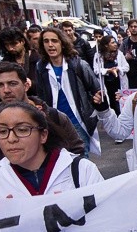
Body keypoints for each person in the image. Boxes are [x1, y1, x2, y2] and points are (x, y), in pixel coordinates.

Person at [0, 101, 104, 208]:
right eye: (2, 131)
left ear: (43, 135)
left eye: (22, 130)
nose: (11, 139)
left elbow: (105, 222)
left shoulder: (81, 170)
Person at [0, 61, 84, 168]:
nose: (6, 90)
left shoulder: (54, 116)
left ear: (26, 85)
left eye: (12, 84)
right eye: (0, 85)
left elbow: (77, 150)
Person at [35, 26, 101, 158]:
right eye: (46, 41)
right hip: (53, 124)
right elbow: (41, 96)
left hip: (77, 122)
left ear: (62, 43)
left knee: (82, 162)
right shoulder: (41, 67)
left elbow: (96, 89)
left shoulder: (78, 65)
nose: (50, 45)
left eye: (54, 41)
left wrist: (95, 103)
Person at [93, 34, 130, 119]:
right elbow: (96, 70)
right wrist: (108, 71)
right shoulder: (98, 56)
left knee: (119, 106)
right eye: (112, 43)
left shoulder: (119, 54)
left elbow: (126, 67)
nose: (115, 44)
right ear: (106, 45)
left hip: (118, 84)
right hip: (106, 85)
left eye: (115, 42)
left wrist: (118, 69)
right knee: (110, 105)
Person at [0, 26, 41, 95]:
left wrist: (32, 83)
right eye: (7, 45)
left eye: (13, 44)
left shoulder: (38, 58)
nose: (10, 48)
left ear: (22, 41)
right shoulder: (6, 62)